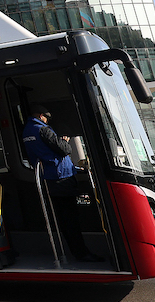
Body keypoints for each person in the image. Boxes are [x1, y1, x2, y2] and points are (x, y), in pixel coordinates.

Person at [21, 105, 103, 262]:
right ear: (40, 116)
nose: (48, 120)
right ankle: (81, 253)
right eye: (46, 117)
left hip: (49, 177)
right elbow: (65, 150)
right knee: (71, 218)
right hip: (62, 177)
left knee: (64, 218)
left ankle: (76, 251)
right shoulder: (43, 129)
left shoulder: (27, 131)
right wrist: (64, 141)